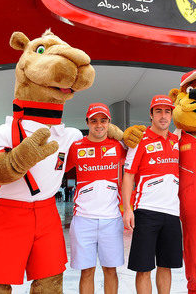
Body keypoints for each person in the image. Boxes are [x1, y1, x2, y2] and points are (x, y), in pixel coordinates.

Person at [122, 95, 181, 294]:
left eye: (167, 111)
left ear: (172, 115)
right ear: (151, 114)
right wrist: (128, 209)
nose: (163, 116)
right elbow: (128, 176)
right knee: (144, 268)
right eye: (158, 111)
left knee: (166, 266)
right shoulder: (139, 140)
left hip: (172, 213)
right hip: (146, 212)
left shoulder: (176, 140)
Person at [65, 103, 126, 294]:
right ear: (87, 123)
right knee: (87, 271)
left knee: (110, 270)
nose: (99, 125)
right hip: (83, 220)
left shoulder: (119, 146)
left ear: (109, 123)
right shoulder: (75, 147)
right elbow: (55, 171)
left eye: (103, 120)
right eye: (94, 121)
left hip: (111, 219)